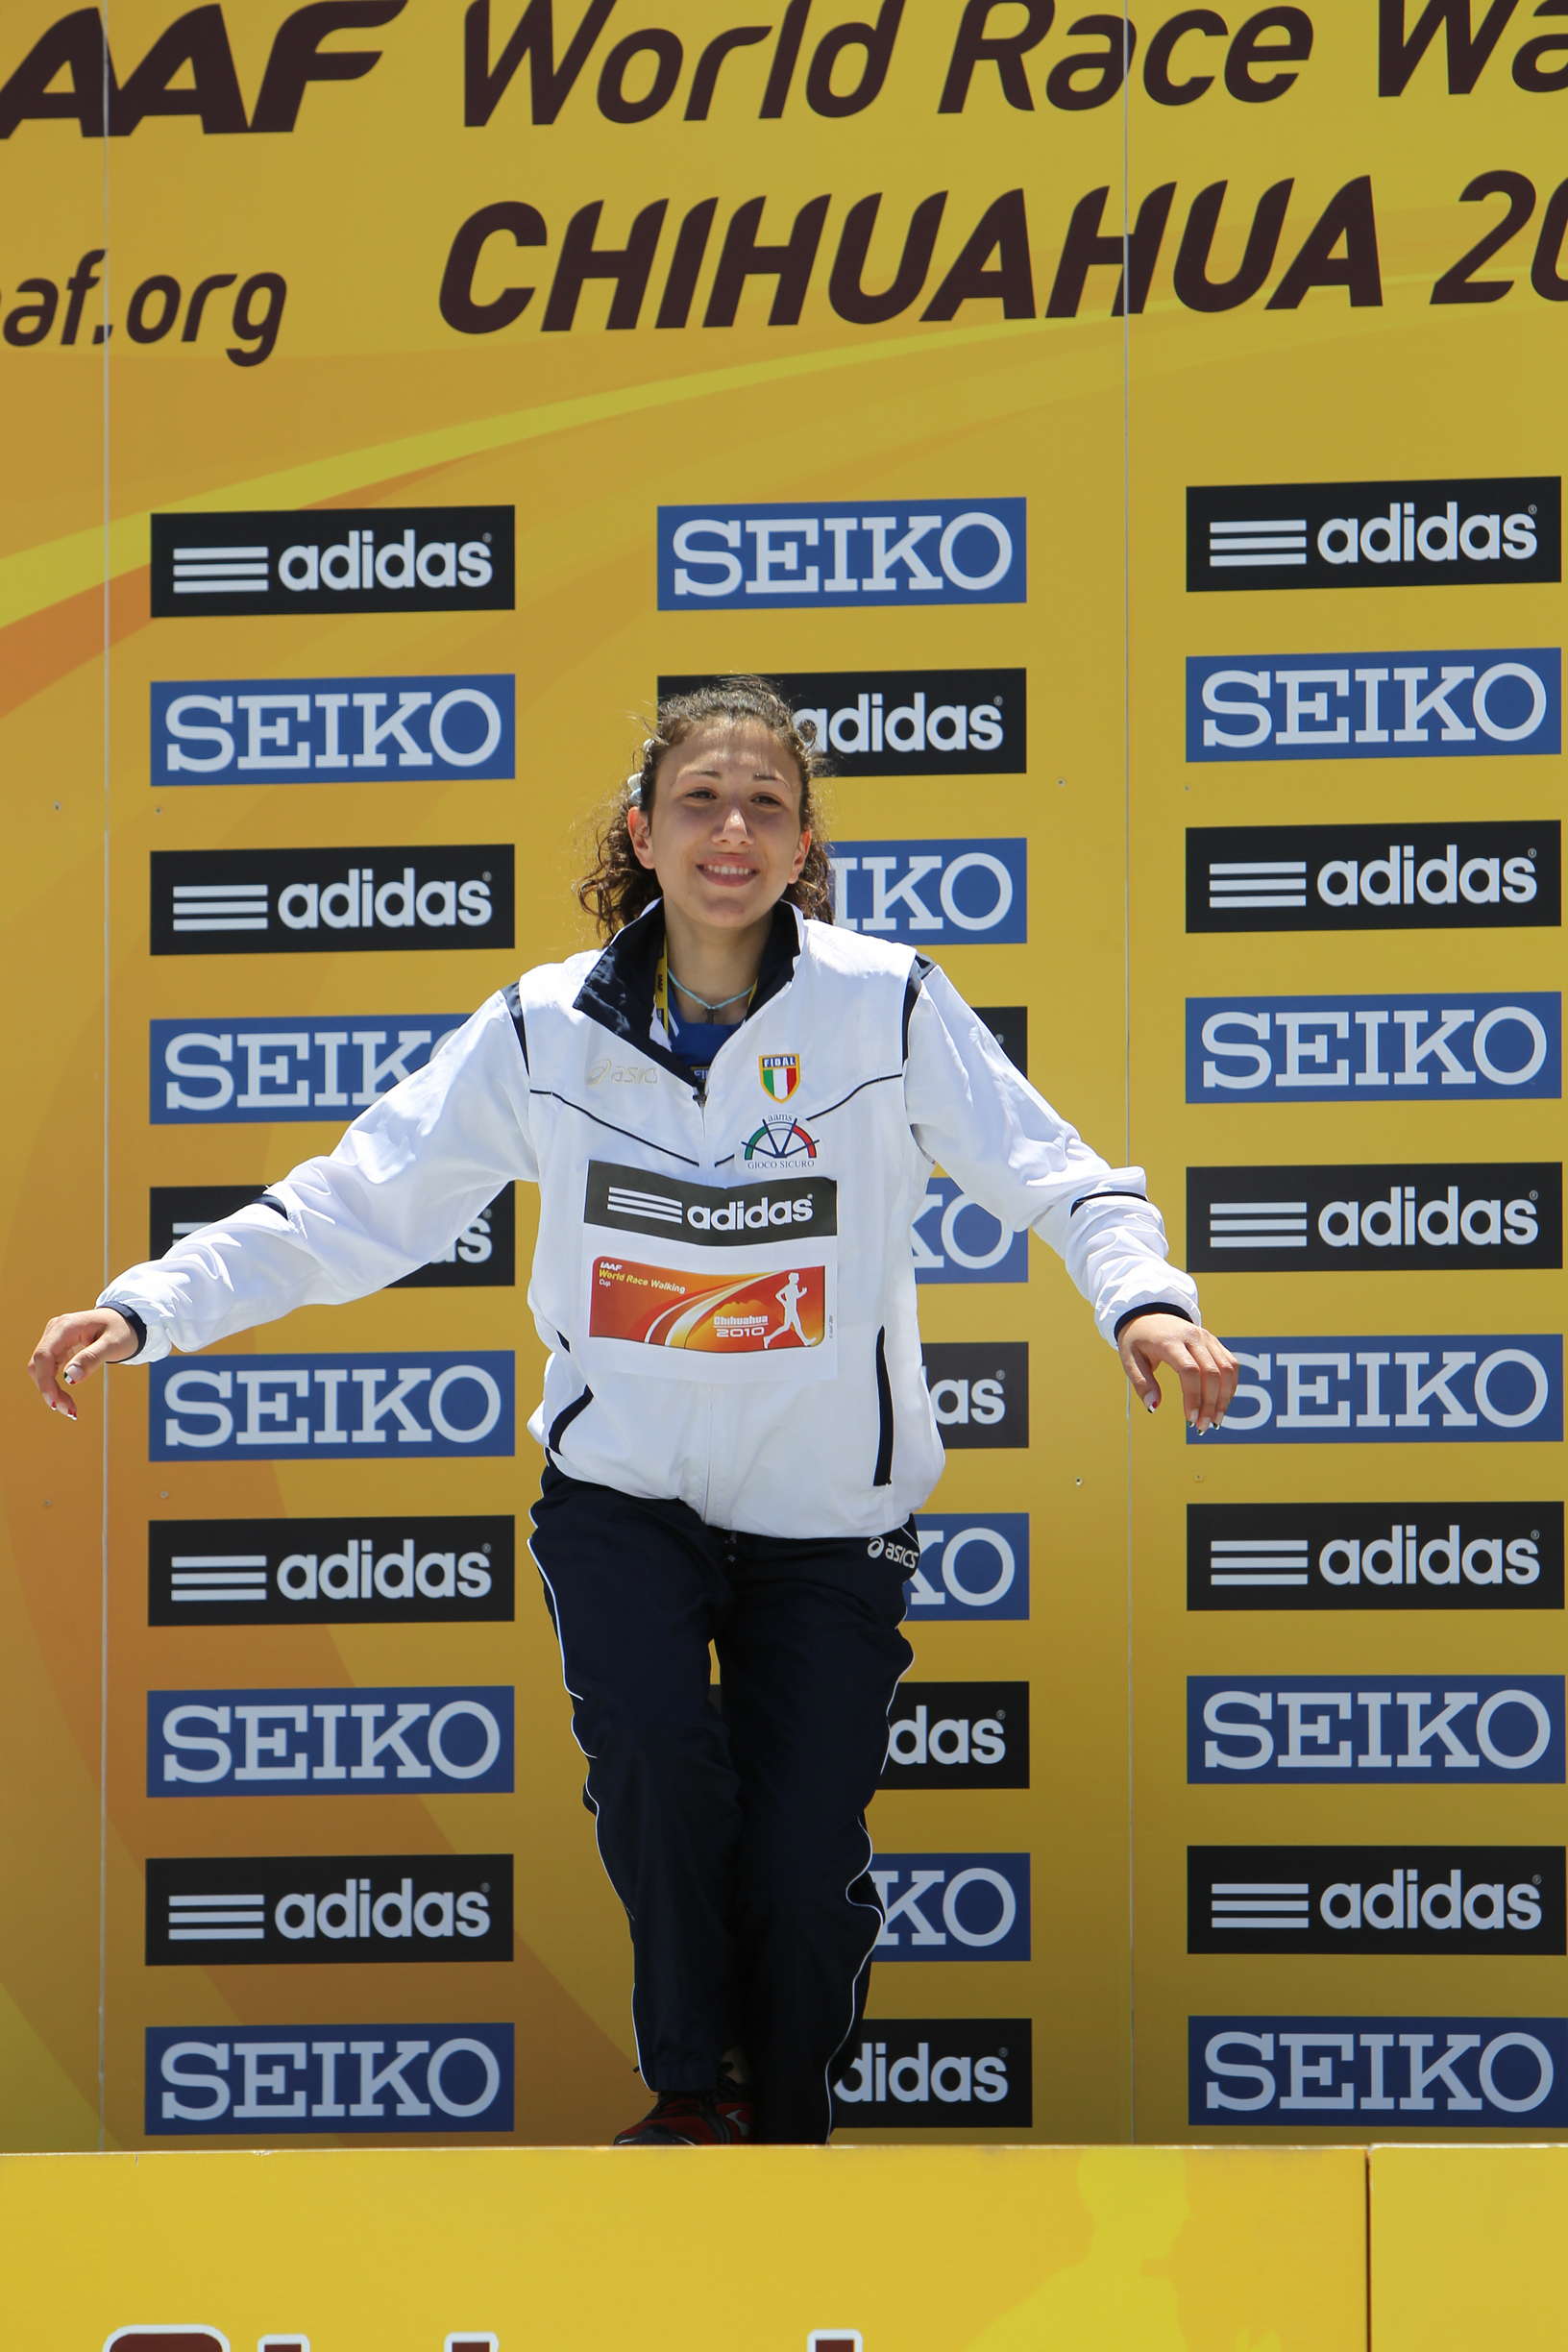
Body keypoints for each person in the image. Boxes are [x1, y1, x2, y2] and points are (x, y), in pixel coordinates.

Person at [26, 675, 1237, 2147]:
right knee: (657, 1766)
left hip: (827, 1517)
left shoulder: (885, 1001)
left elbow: (1059, 1177)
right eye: (699, 802)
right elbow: (359, 1202)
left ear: (803, 846)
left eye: (765, 806)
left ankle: (780, 2131)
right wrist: (153, 1306)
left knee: (800, 1861)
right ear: (642, 833)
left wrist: (1142, 1298)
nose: (732, 830)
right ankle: (694, 2098)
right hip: (621, 1497)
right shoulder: (546, 1027)